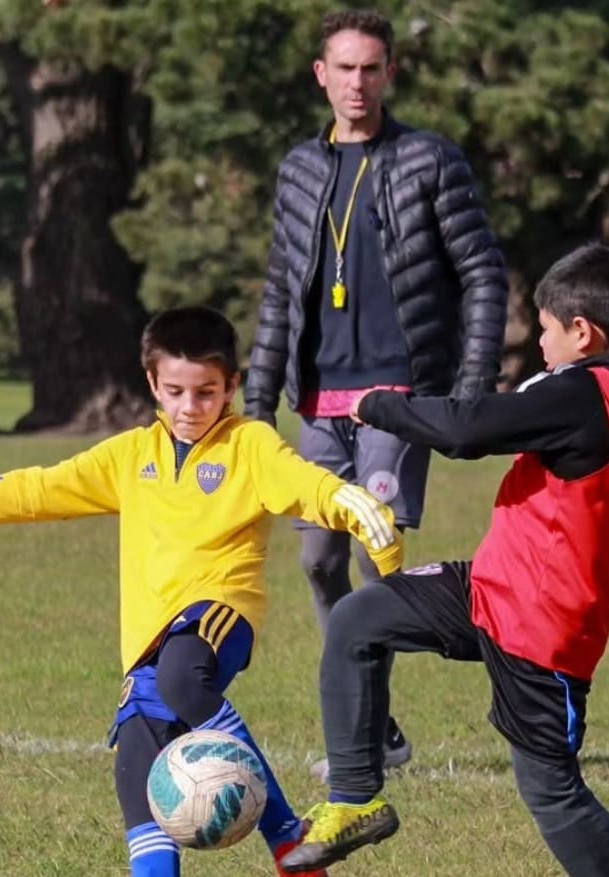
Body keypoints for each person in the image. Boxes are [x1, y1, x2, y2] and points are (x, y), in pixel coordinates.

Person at [0, 306, 405, 877]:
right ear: (153, 385)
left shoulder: (251, 445)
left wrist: (357, 509)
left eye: (206, 392)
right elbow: (36, 489)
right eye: (176, 392)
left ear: (231, 386)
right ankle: (282, 857)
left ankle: (287, 838)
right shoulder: (130, 456)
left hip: (218, 614)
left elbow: (308, 486)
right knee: (138, 780)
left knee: (182, 679)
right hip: (148, 643)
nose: (190, 407)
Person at [279, 244, 609, 876]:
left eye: (545, 329)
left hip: (543, 629)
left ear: (582, 332)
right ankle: (355, 800)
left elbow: (466, 429)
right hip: (493, 589)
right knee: (359, 619)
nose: (539, 344)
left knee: (553, 791)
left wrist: (378, 406)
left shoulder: (579, 393)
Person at [244, 8, 509, 780]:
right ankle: (379, 723)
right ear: (320, 75)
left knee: (373, 555)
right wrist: (257, 405)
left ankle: (360, 730)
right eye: (344, 68)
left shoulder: (430, 159)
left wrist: (467, 390)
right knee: (317, 560)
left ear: (391, 73)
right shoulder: (300, 169)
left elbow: (483, 271)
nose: (357, 83)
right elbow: (279, 290)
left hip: (397, 395)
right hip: (319, 399)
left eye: (371, 68)